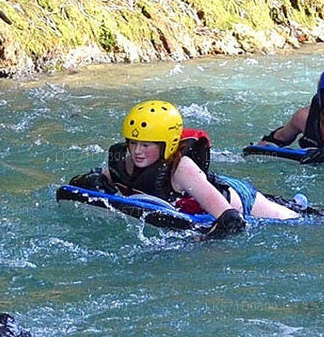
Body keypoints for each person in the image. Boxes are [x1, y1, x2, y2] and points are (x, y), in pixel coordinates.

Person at [97, 100, 299, 238]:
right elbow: (100, 178)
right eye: (133, 143)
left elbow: (231, 220)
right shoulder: (127, 161)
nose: (137, 152)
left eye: (146, 145)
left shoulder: (181, 168)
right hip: (203, 187)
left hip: (238, 199)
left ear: (166, 144)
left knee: (296, 219)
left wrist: (205, 241)